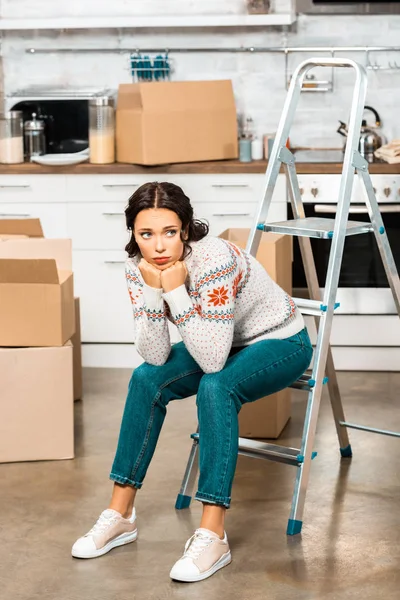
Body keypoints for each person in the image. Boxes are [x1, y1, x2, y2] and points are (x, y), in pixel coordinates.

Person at [71, 181, 313, 582]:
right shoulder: (139, 270)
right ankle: (120, 513)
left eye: (169, 232)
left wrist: (176, 293)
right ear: (133, 234)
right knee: (146, 379)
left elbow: (214, 361)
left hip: (280, 340)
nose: (159, 246)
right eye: (146, 234)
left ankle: (214, 533)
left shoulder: (213, 259)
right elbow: (154, 355)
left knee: (216, 387)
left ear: (185, 228)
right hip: (220, 341)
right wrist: (153, 292)